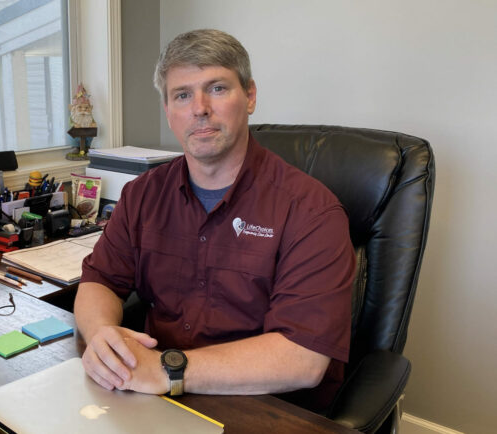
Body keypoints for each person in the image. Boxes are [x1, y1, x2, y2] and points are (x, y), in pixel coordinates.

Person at [74, 29, 355, 411]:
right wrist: (102, 337)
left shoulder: (311, 211)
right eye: (182, 95)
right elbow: (99, 281)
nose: (199, 108)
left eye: (218, 88)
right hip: (156, 399)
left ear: (250, 96)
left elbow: (302, 359)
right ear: (168, 110)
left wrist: (166, 370)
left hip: (267, 409)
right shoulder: (142, 195)